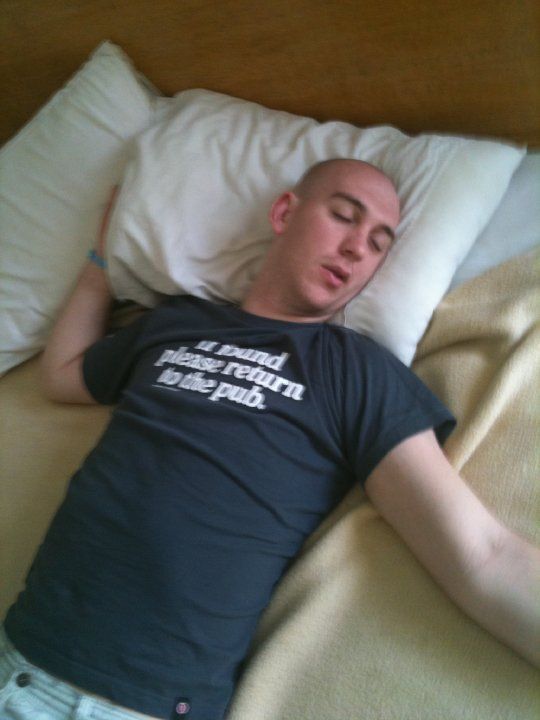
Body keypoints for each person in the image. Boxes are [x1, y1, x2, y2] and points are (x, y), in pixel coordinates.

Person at [1, 159, 538, 720]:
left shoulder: (356, 372)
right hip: (18, 659)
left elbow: (484, 556)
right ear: (284, 212)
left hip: (141, 705)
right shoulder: (176, 323)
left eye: (379, 243)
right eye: (344, 216)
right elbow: (60, 375)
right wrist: (100, 265)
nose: (357, 248)